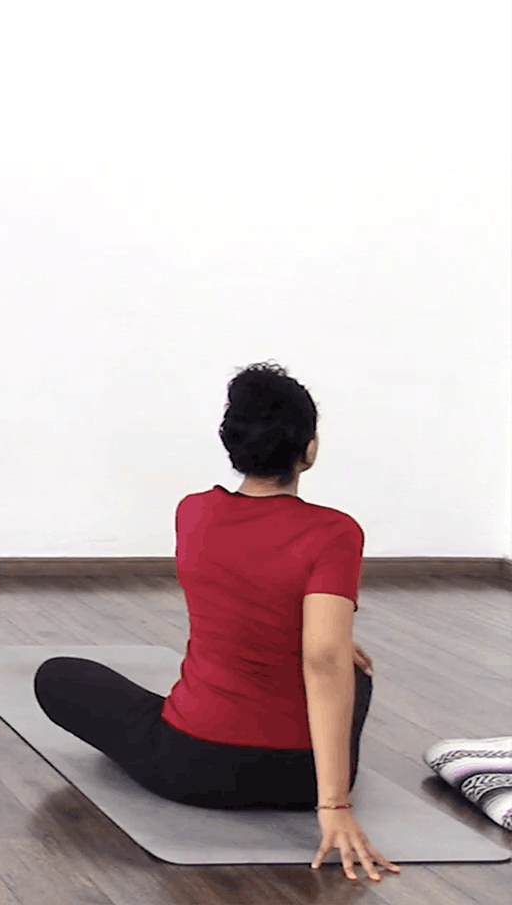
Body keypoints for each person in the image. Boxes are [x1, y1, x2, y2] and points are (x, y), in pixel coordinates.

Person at [34, 362, 399, 882]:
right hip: (300, 779)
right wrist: (334, 804)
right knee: (354, 675)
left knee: (58, 676)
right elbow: (322, 657)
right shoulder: (336, 532)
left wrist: (330, 649)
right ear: (309, 449)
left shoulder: (194, 513)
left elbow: (264, 609)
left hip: (193, 766)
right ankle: (325, 774)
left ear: (233, 444)